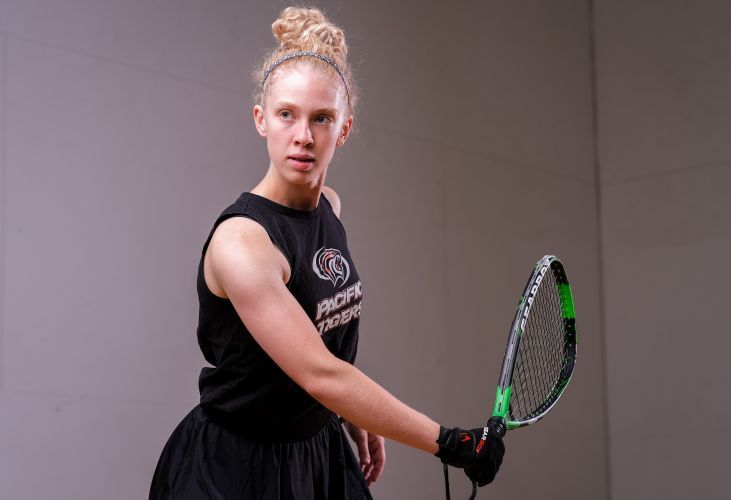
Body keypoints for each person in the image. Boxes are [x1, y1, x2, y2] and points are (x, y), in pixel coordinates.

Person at [149, 6, 504, 499]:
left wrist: (345, 410)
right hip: (235, 468)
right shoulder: (243, 243)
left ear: (344, 128)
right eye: (286, 114)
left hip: (316, 451)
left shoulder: (330, 210)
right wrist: (450, 442)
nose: (303, 136)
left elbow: (321, 341)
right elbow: (319, 372)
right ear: (261, 120)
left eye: (322, 118)